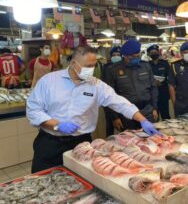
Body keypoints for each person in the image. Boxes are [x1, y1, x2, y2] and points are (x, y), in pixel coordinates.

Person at [27, 46, 159, 173]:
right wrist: (57, 125)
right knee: (41, 178)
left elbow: (119, 102)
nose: (91, 70)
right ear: (73, 63)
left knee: (80, 182)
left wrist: (142, 120)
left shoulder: (96, 85)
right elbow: (33, 110)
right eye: (88, 66)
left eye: (93, 66)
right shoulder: (49, 81)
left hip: (81, 143)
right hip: (50, 142)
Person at [104, 40, 159, 132]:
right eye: (131, 57)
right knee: (130, 142)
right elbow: (109, 96)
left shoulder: (145, 66)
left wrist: (154, 107)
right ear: (124, 55)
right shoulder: (113, 70)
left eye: (137, 56)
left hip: (147, 111)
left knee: (151, 138)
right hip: (126, 114)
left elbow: (153, 88)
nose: (135, 59)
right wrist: (115, 117)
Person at [102, 46, 122, 136]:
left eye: (118, 55)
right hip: (109, 102)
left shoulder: (123, 67)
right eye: (114, 55)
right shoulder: (106, 68)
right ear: (111, 57)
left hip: (121, 100)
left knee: (122, 128)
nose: (116, 56)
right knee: (110, 127)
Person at [148, 44, 171, 119]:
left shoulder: (165, 63)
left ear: (158, 52)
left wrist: (163, 82)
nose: (154, 54)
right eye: (152, 52)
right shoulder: (147, 65)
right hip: (152, 94)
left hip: (163, 92)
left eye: (155, 52)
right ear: (149, 54)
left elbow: (170, 77)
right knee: (154, 116)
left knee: (165, 115)